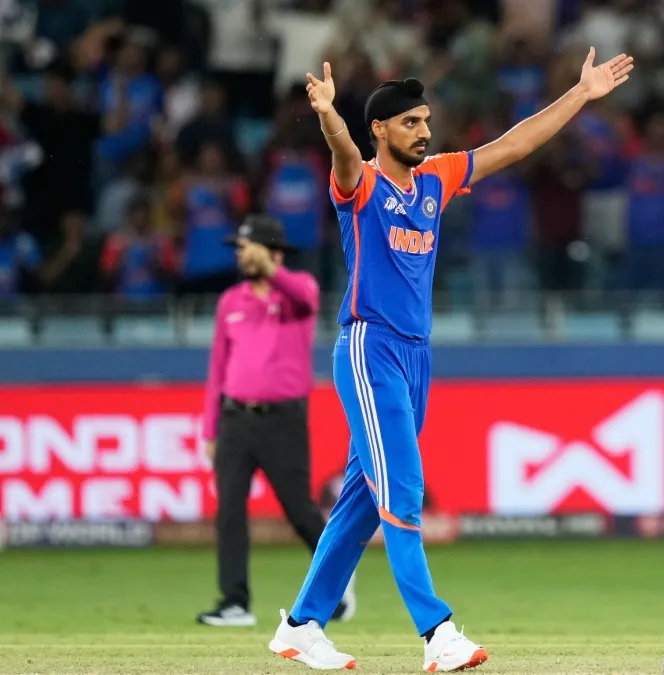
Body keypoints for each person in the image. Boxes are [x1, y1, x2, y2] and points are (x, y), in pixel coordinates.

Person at [267, 49, 634, 672]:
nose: (423, 132)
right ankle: (437, 632)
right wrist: (329, 115)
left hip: (416, 356)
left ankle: (302, 626)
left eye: (426, 122)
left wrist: (579, 94)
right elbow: (344, 155)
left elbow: (514, 146)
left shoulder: (435, 177)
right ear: (380, 129)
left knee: (363, 498)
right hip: (370, 349)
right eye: (409, 123)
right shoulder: (362, 184)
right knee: (403, 490)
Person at [196, 215, 355, 627]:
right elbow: (218, 368)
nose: (240, 255)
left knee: (299, 510)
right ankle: (234, 603)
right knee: (229, 510)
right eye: (238, 249)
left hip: (283, 420)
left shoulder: (298, 291)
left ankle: (338, 581)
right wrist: (210, 429)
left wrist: (269, 267)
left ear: (274, 252)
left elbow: (306, 298)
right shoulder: (231, 301)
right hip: (235, 419)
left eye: (247, 247)